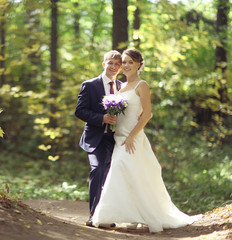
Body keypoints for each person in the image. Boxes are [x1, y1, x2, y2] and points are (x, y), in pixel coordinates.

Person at [91, 49, 201, 232]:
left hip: (132, 138)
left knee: (124, 171)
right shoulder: (120, 87)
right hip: (119, 137)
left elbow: (147, 114)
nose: (125, 66)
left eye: (130, 63)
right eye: (123, 62)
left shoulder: (142, 85)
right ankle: (124, 214)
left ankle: (113, 216)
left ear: (138, 65)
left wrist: (132, 136)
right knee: (130, 176)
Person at [75, 50, 123, 227]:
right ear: (104, 64)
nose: (113, 67)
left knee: (110, 177)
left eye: (117, 64)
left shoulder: (122, 86)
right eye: (110, 63)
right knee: (97, 170)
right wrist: (101, 118)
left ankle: (106, 215)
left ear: (120, 67)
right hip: (95, 138)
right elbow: (79, 111)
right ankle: (94, 215)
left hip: (115, 139)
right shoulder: (90, 85)